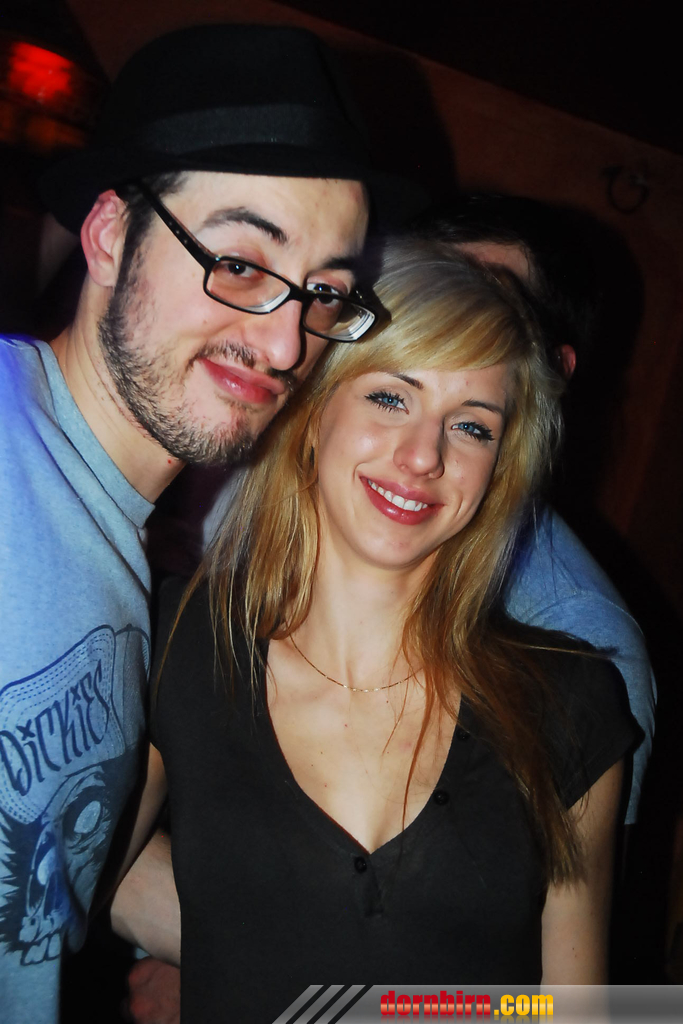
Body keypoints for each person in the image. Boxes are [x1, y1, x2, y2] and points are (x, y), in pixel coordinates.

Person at [0, 23, 421, 1023]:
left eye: (325, 293)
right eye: (238, 261)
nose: (285, 344)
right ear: (111, 236)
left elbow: (47, 885)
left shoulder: (121, 552)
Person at [122, 238, 637, 1022]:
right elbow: (55, 880)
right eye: (391, 398)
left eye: (471, 427)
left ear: (500, 472)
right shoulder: (177, 645)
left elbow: (575, 1011)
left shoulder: (568, 704)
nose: (422, 455)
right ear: (312, 413)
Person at [413, 194, 655, 825]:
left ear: (551, 373)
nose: (443, 331)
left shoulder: (580, 642)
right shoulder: (263, 482)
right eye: (423, 295)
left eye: (488, 306)